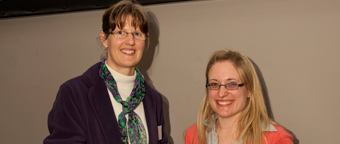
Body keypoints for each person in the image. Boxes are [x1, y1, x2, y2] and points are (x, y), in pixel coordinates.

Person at [43, 0, 168, 143]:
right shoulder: (73, 94)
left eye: (137, 33)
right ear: (104, 39)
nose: (131, 41)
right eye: (121, 32)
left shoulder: (154, 100)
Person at [185, 49, 293, 144]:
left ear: (249, 90)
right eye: (214, 84)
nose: (221, 93)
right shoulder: (194, 135)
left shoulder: (275, 139)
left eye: (232, 84)